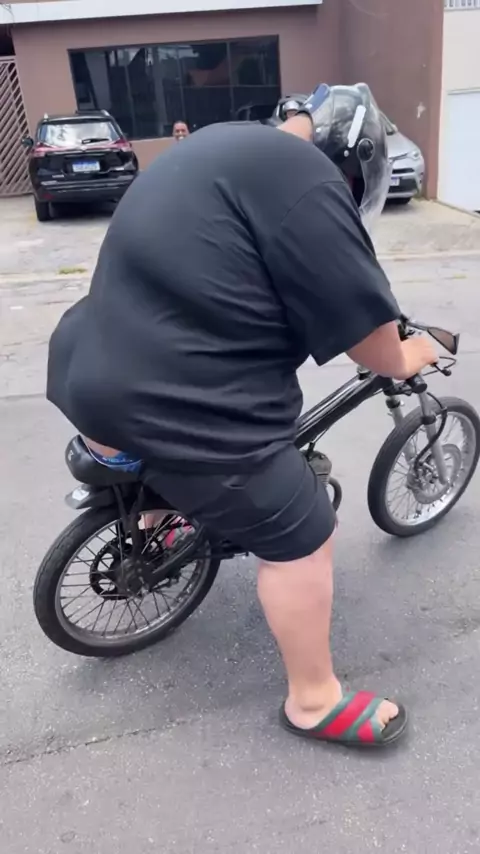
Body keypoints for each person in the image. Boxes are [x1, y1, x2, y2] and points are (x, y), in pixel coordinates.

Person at [47, 83, 437, 749]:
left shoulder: (212, 147)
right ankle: (314, 700)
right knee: (304, 532)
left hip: (87, 376)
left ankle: (159, 517)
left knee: (187, 447)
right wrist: (410, 352)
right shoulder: (310, 182)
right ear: (355, 161)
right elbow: (369, 335)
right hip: (169, 402)